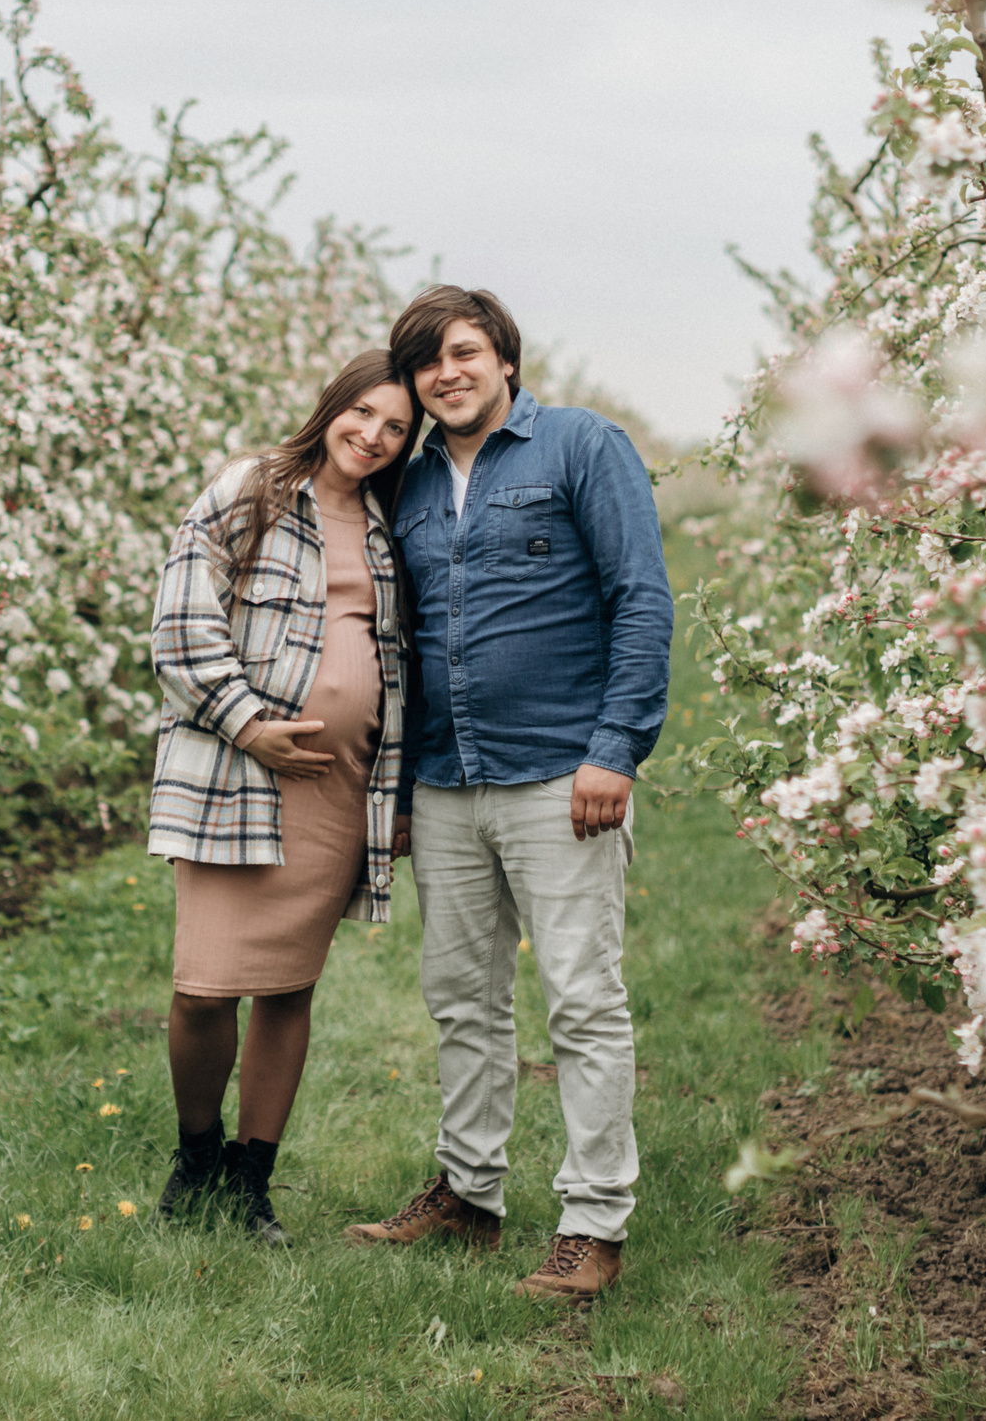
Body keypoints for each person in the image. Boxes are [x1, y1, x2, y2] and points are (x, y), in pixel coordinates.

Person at [344, 286, 671, 1302]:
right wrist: (396, 790)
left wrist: (614, 749)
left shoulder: (579, 446)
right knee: (462, 1003)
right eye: (428, 361)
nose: (448, 373)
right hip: (444, 783)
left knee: (581, 1000)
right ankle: (469, 1194)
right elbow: (399, 644)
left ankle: (593, 1222)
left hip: (558, 774)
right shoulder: (402, 486)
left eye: (465, 352)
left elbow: (639, 597)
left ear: (505, 362)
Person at [145, 350, 419, 1245]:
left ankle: (249, 1181)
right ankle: (197, 1156)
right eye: (364, 414)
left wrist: (400, 786)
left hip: (339, 790)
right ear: (333, 402)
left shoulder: (389, 526)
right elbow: (181, 628)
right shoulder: (250, 489)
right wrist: (248, 723)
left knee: (289, 988)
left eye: (395, 428)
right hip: (236, 775)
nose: (373, 436)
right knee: (203, 988)